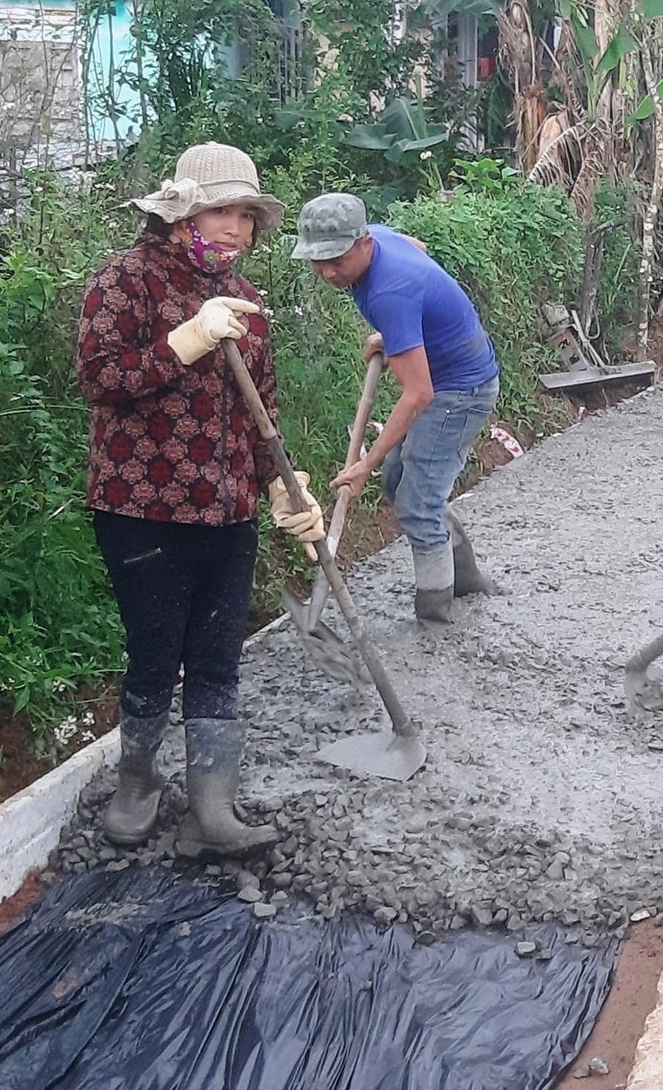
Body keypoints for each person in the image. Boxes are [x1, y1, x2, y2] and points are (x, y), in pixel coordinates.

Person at [78, 142, 325, 857]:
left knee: (218, 657)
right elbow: (100, 378)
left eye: (247, 216)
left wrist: (282, 483)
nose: (237, 229)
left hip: (228, 513)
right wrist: (183, 341)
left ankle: (211, 808)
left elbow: (261, 408)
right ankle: (138, 782)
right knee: (155, 653)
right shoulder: (124, 281)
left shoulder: (247, 302)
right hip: (142, 508)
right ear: (182, 211)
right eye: (222, 211)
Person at [291, 194, 500, 624]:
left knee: (417, 503)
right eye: (318, 261)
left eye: (337, 260)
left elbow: (418, 394)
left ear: (364, 244)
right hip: (444, 374)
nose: (328, 272)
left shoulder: (389, 291)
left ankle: (435, 611)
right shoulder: (381, 239)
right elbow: (416, 247)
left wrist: (365, 461)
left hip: (460, 391)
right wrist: (398, 335)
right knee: (399, 480)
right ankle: (465, 576)